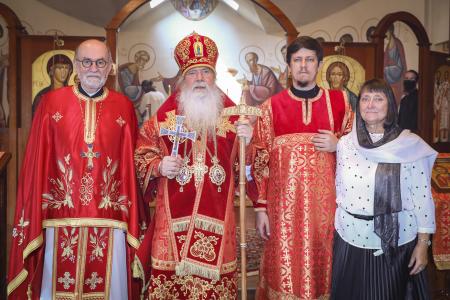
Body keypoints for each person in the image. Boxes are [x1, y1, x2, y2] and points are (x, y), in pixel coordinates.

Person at [7, 39, 142, 300]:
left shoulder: (124, 107)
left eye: (100, 62)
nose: (93, 68)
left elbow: (131, 166)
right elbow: (37, 159)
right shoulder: (51, 103)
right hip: (59, 215)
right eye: (86, 62)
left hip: (110, 216)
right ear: (76, 67)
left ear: (110, 67)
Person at [133, 32, 253, 299]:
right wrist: (159, 165)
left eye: (205, 72)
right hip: (173, 222)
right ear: (182, 79)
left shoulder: (234, 119)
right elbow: (141, 155)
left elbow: (251, 168)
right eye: (193, 72)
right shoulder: (162, 120)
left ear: (214, 77)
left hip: (219, 221)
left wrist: (250, 141)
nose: (200, 78)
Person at [250, 36, 352, 299]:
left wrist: (339, 144)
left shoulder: (340, 102)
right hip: (282, 209)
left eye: (309, 60)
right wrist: (261, 208)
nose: (303, 65)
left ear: (318, 64)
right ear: (289, 65)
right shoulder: (270, 108)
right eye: (297, 60)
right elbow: (260, 160)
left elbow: (360, 150)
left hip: (328, 210)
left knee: (326, 272)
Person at [331, 78, 437, 299]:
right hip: (349, 238)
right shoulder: (346, 144)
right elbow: (339, 190)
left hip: (394, 243)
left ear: (390, 105)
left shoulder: (409, 145)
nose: (370, 104)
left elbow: (422, 197)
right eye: (365, 98)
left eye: (378, 98)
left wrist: (423, 244)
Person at [384, 24, 407, 105]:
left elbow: (398, 67)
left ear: (390, 31)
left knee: (393, 103)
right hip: (390, 80)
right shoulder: (390, 43)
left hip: (395, 81)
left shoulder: (395, 43)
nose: (385, 34)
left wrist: (385, 70)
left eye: (386, 31)